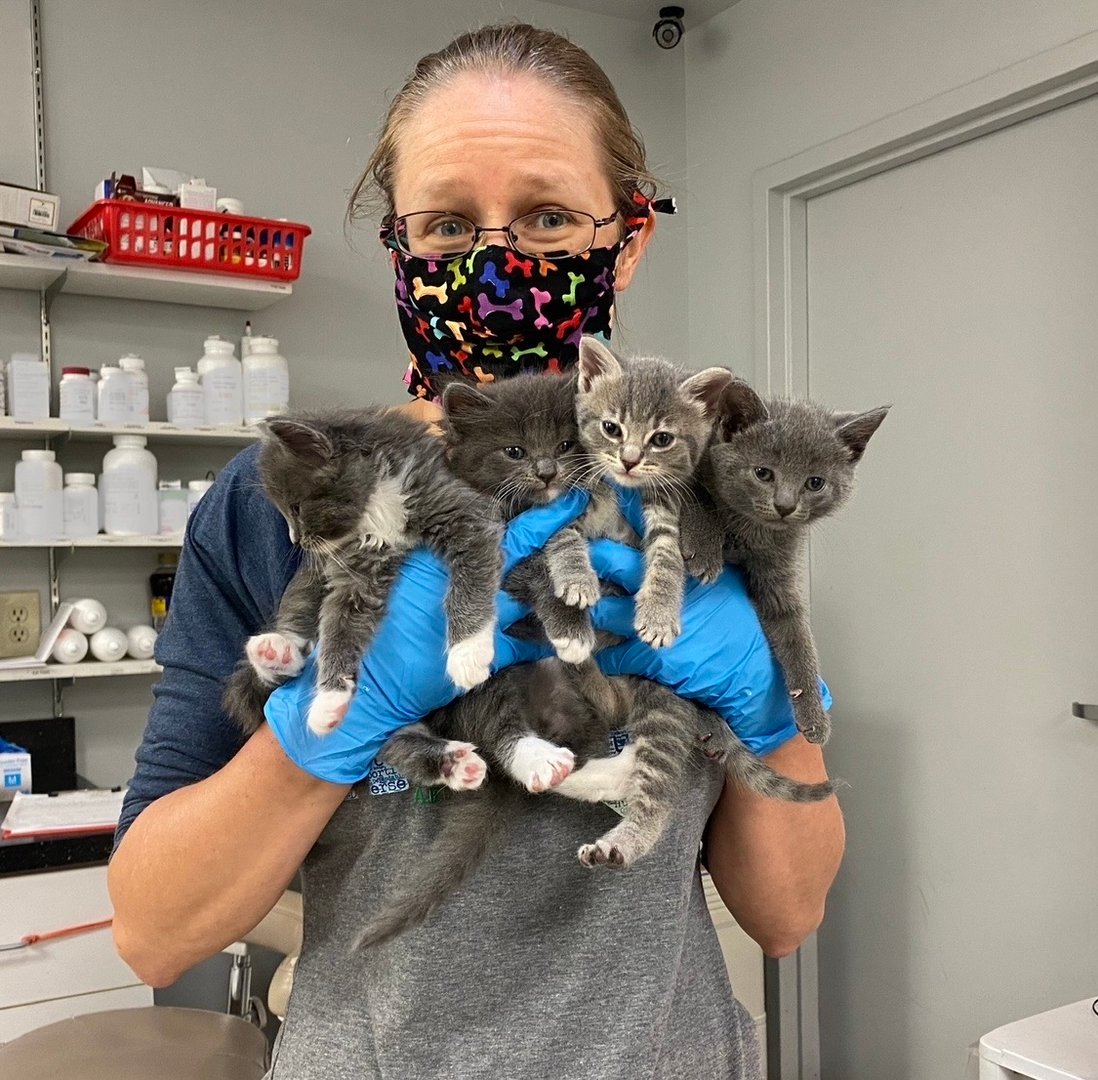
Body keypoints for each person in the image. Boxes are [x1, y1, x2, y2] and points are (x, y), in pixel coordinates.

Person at [108, 24, 844, 1079]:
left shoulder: (710, 485)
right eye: (448, 227)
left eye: (548, 217)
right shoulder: (285, 499)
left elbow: (788, 913)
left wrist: (769, 704)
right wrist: (333, 723)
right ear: (399, 246)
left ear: (628, 238)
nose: (495, 262)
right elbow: (154, 929)